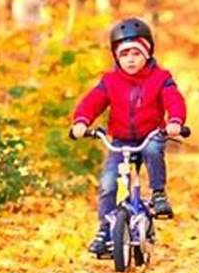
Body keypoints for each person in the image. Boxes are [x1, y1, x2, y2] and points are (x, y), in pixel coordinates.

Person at [70, 17, 187, 255]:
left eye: (136, 52)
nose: (130, 59)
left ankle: (158, 194)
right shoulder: (110, 80)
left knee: (154, 150)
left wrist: (175, 122)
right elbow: (92, 102)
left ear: (147, 53)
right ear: (116, 57)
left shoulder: (161, 78)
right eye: (124, 54)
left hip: (152, 134)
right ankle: (105, 229)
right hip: (121, 140)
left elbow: (174, 99)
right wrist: (81, 122)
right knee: (108, 184)